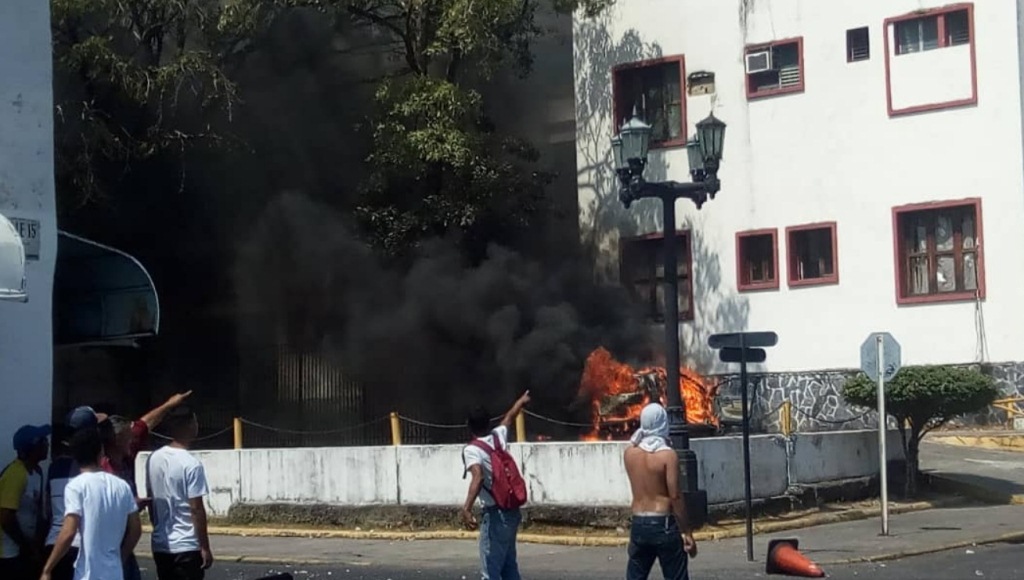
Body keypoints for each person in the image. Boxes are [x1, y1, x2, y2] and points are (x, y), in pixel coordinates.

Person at [69, 391, 192, 580]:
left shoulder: (124, 455)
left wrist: (170, 404)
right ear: (115, 439)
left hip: (123, 541)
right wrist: (130, 504)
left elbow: (145, 424)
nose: (133, 440)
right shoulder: (102, 471)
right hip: (109, 544)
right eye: (128, 437)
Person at [41, 427, 141, 580]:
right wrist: (121, 557)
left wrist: (47, 569)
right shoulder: (122, 485)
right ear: (100, 453)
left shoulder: (76, 486)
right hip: (115, 573)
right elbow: (136, 530)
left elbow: (68, 532)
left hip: (88, 574)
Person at [460, 391, 531, 580]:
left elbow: (478, 477)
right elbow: (510, 417)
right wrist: (521, 401)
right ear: (488, 422)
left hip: (495, 514)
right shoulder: (498, 436)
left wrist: (466, 508)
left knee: (490, 572)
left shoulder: (472, 449)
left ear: (469, 425)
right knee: (509, 567)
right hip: (512, 510)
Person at [623, 403, 697, 580]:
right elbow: (675, 496)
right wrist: (687, 532)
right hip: (663, 523)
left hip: (639, 522)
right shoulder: (668, 456)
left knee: (635, 575)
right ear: (663, 424)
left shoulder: (629, 454)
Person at [146, 406, 213, 580]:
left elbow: (152, 499)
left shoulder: (153, 459)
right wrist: (204, 546)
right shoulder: (191, 464)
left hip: (161, 543)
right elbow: (196, 509)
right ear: (190, 425)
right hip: (187, 545)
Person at [0, 424, 50, 580]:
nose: (47, 444)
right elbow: (5, 517)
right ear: (32, 448)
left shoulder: (37, 472)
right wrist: (26, 546)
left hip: (28, 549)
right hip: (9, 553)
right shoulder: (16, 474)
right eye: (43, 441)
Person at [43, 425, 79, 580]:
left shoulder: (53, 468)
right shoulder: (84, 471)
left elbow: (47, 508)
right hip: (76, 543)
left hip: (53, 541)